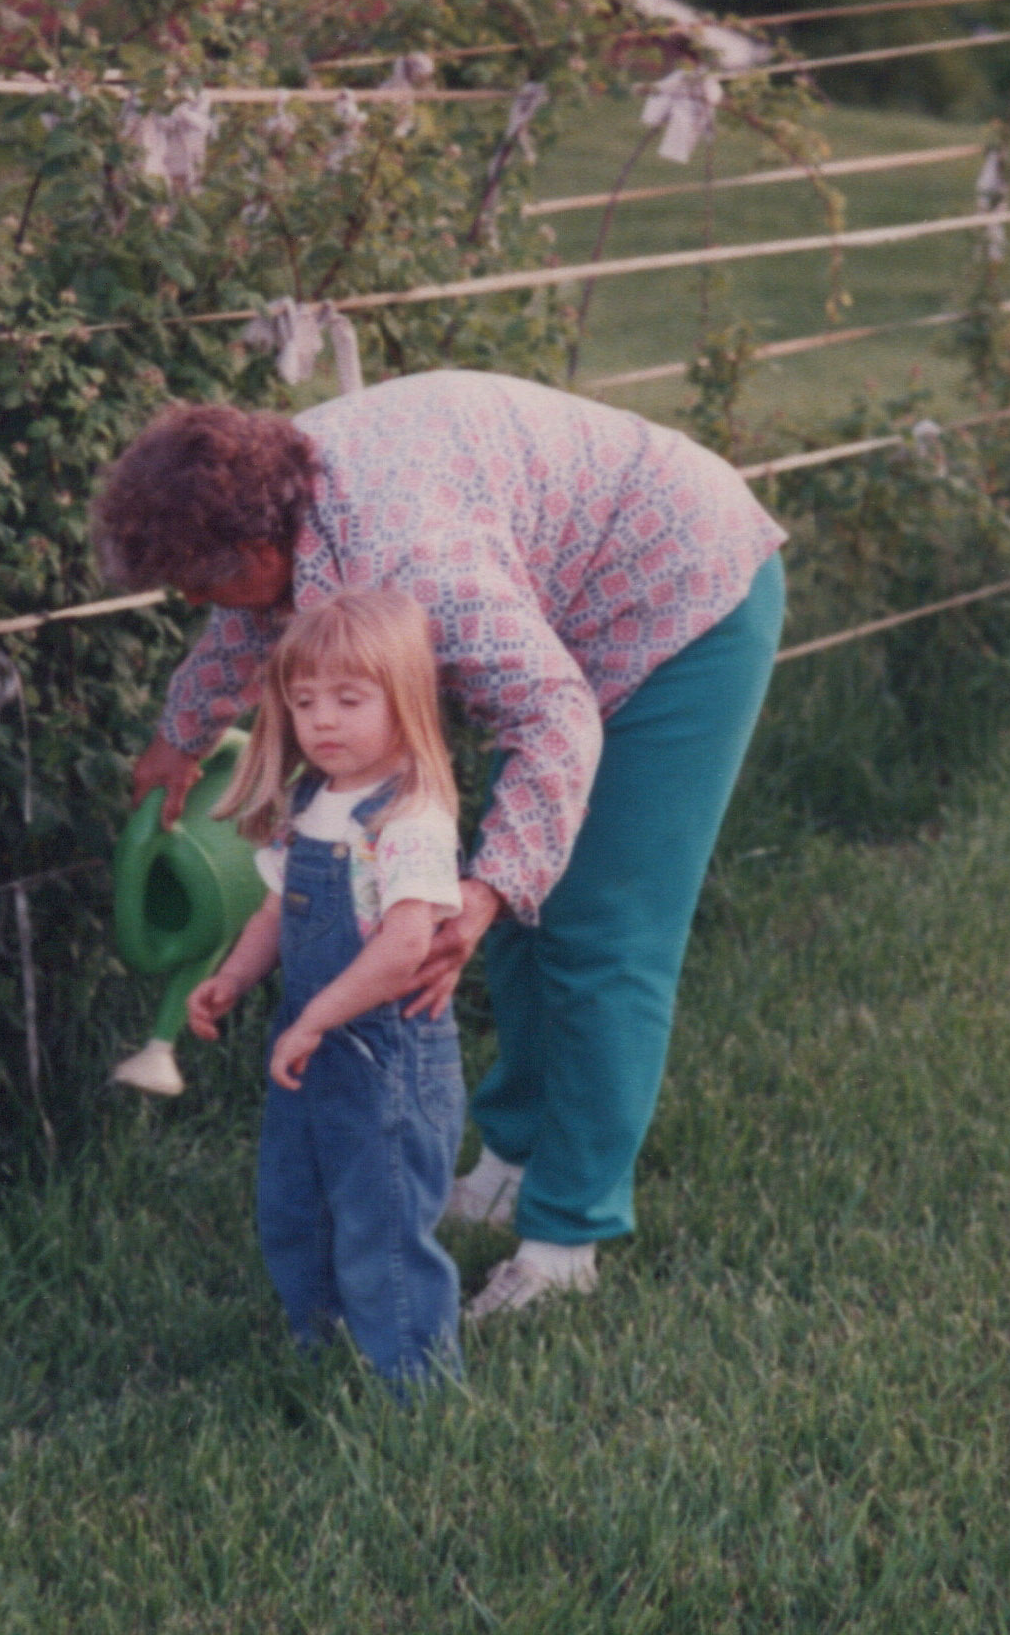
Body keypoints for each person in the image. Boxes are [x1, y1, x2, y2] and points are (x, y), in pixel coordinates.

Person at [94, 369, 788, 1321]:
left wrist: (495, 885)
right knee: (503, 910)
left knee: (595, 929)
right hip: (555, 606)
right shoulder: (272, 507)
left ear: (263, 539)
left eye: (200, 580)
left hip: (681, 593)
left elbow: (553, 714)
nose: (195, 600)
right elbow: (251, 616)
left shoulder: (417, 562)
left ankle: (563, 1241)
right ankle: (509, 1161)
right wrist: (179, 735)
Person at [187, 589, 467, 1386]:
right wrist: (236, 976)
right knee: (294, 1207)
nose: (323, 722)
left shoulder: (406, 819)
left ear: (405, 702)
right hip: (309, 1051)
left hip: (385, 1061)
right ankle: (317, 1349)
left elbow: (407, 945)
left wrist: (316, 1016)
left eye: (349, 699)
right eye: (305, 702)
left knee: (382, 1226)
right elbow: (279, 905)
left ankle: (415, 1390)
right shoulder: (312, 803)